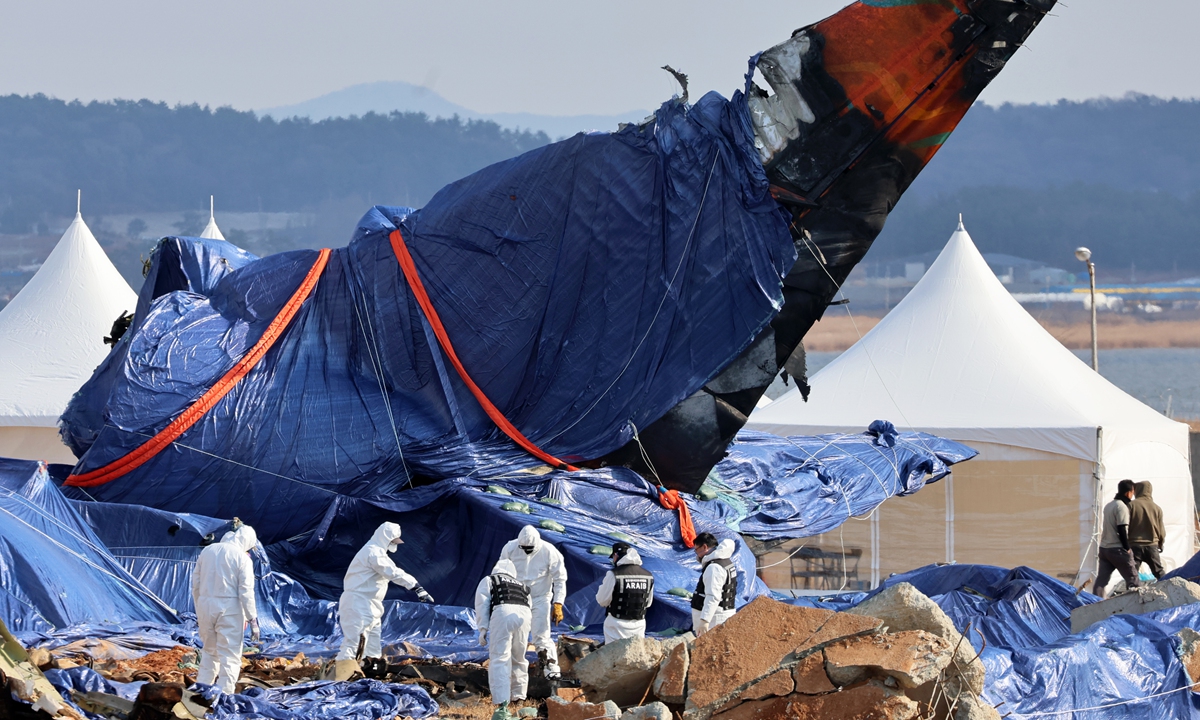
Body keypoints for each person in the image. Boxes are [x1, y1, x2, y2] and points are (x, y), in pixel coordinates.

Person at [336, 522, 434, 662]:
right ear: (384, 538)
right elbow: (392, 572)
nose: (394, 545)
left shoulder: (378, 553)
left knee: (372, 646)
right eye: (392, 541)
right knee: (355, 642)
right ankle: (344, 671)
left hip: (371, 603)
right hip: (358, 602)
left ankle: (369, 668)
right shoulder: (373, 553)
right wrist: (416, 586)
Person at [192, 524, 259, 694]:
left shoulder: (207, 551)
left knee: (209, 652)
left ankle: (201, 691)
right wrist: (252, 619)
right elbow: (245, 592)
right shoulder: (242, 558)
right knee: (230, 657)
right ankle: (224, 696)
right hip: (230, 610)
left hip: (206, 606)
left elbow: (196, 585)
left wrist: (199, 610)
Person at [499, 525, 567, 678]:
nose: (526, 551)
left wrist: (558, 603)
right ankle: (512, 669)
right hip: (516, 597)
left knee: (541, 634)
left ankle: (551, 668)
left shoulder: (549, 551)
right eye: (524, 548)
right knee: (514, 635)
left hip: (540, 598)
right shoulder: (510, 548)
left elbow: (560, 579)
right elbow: (501, 573)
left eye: (530, 549)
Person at [474, 559, 532, 720]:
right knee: (519, 657)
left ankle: (502, 702)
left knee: (500, 657)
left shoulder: (490, 580)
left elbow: (482, 603)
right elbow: (529, 604)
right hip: (524, 616)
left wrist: (483, 628)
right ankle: (519, 697)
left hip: (503, 612)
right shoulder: (522, 585)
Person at [595, 542, 654, 643]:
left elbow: (602, 600)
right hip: (639, 625)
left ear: (616, 555)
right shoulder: (648, 575)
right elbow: (648, 603)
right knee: (635, 651)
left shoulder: (614, 574)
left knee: (613, 652)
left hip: (616, 626)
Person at [1092, 479, 1142, 598]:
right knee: (1133, 580)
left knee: (1101, 581)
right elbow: (1121, 529)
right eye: (1132, 492)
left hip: (1104, 549)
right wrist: (1127, 548)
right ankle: (1138, 602)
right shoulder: (1121, 507)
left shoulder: (1109, 506)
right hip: (1117, 549)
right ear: (1128, 493)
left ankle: (1095, 601)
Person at [691, 532, 737, 636]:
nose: (697, 555)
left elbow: (713, 596)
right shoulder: (725, 561)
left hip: (714, 619)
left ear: (704, 547)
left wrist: (704, 620)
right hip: (722, 615)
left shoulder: (714, 567)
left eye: (696, 550)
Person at [1129, 481, 1166, 580]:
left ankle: (1132, 590)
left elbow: (1124, 526)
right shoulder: (1157, 508)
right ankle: (1168, 587)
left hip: (1135, 546)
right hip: (1152, 546)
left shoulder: (1131, 505)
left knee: (1132, 575)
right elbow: (1161, 530)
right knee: (1159, 572)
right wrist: (1160, 544)